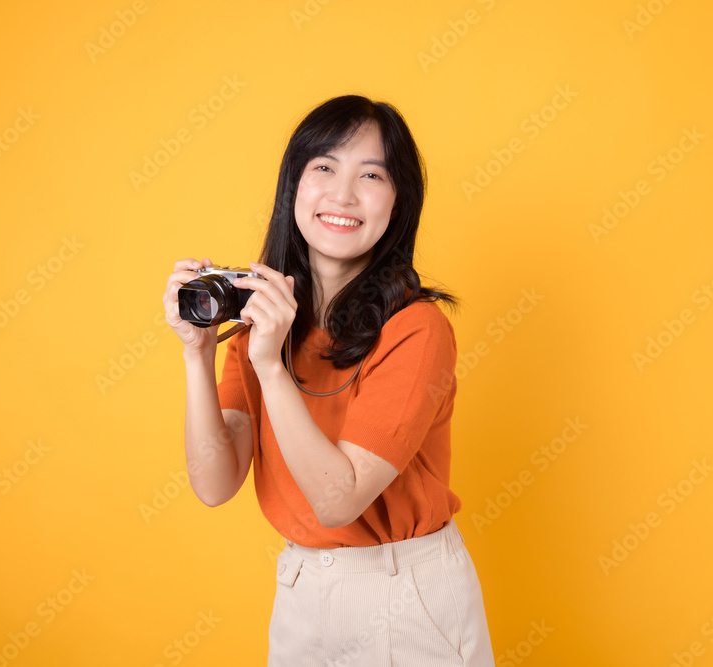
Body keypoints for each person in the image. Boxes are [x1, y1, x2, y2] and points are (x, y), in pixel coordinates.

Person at [162, 95, 496, 666]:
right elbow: (214, 484)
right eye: (324, 167)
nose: (343, 195)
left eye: (371, 175)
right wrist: (197, 353)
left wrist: (271, 366)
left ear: (399, 202)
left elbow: (338, 499)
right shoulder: (262, 320)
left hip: (405, 592)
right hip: (303, 590)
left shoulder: (416, 330)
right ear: (294, 186)